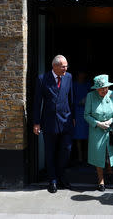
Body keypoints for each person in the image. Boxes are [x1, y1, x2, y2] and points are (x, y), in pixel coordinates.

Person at [33, 55, 74, 194]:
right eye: (63, 66)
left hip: (66, 120)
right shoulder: (42, 79)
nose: (66, 69)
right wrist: (36, 122)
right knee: (50, 153)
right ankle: (53, 180)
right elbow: (37, 102)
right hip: (49, 121)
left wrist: (73, 117)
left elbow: (71, 98)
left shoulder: (68, 77)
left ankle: (61, 176)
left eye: (66, 66)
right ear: (55, 66)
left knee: (66, 150)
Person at [84, 74, 113, 192]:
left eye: (106, 88)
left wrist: (112, 120)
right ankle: (101, 180)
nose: (104, 91)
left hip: (110, 130)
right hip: (97, 131)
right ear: (96, 89)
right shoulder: (90, 96)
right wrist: (98, 123)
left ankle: (110, 172)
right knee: (98, 156)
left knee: (109, 154)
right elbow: (86, 115)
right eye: (101, 89)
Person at [72, 70, 91, 163]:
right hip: (77, 111)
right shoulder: (73, 85)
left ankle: (88, 156)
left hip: (87, 111)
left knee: (88, 134)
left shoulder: (87, 84)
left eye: (83, 73)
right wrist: (78, 102)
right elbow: (70, 97)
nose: (82, 75)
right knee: (78, 134)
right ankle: (79, 156)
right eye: (81, 73)